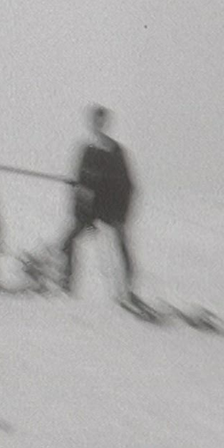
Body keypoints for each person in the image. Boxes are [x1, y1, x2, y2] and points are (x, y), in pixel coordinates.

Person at [59, 104, 136, 302]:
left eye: (101, 121)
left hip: (112, 210)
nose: (98, 125)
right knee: (68, 242)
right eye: (95, 121)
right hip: (91, 211)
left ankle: (128, 290)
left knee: (122, 245)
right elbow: (81, 186)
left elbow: (127, 185)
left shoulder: (116, 151)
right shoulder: (87, 151)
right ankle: (66, 284)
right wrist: (82, 213)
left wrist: (120, 215)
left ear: (105, 123)